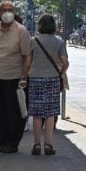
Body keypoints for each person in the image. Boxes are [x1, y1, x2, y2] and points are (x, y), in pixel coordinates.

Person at [0, 0, 32, 154]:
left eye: (10, 9)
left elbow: (27, 57)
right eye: (4, 10)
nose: (7, 12)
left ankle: (12, 144)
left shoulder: (21, 31)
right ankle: (2, 142)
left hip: (16, 77)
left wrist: (24, 77)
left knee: (15, 112)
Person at [29, 14, 69, 156]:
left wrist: (25, 75)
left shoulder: (33, 41)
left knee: (37, 115)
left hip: (35, 80)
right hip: (52, 79)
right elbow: (65, 63)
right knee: (50, 113)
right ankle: (48, 144)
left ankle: (36, 145)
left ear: (39, 25)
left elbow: (27, 62)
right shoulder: (59, 41)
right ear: (54, 26)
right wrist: (60, 73)